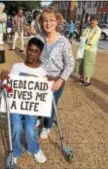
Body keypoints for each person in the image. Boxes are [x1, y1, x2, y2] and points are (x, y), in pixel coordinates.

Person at [1, 37, 47, 165]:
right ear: (26, 49)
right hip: (16, 105)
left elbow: (43, 93)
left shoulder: (42, 72)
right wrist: (3, 78)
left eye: (35, 51)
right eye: (30, 50)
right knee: (16, 128)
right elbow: (8, 86)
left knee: (30, 129)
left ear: (39, 53)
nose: (31, 53)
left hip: (31, 107)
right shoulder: (16, 67)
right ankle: (15, 152)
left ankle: (34, 148)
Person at [36, 7, 74, 139]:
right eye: (45, 20)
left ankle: (47, 126)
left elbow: (70, 64)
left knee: (50, 105)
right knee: (38, 101)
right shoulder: (37, 38)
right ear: (41, 22)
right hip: (40, 79)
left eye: (51, 20)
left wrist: (61, 80)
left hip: (56, 79)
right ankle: (39, 117)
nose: (48, 23)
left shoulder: (63, 42)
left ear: (57, 21)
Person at [75, 16, 101, 87]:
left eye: (95, 20)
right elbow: (82, 37)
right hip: (82, 48)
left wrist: (85, 39)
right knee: (80, 63)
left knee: (88, 65)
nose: (93, 21)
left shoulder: (98, 30)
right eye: (92, 20)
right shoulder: (87, 28)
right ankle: (81, 78)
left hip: (90, 50)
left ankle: (87, 81)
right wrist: (83, 38)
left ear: (97, 22)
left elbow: (91, 41)